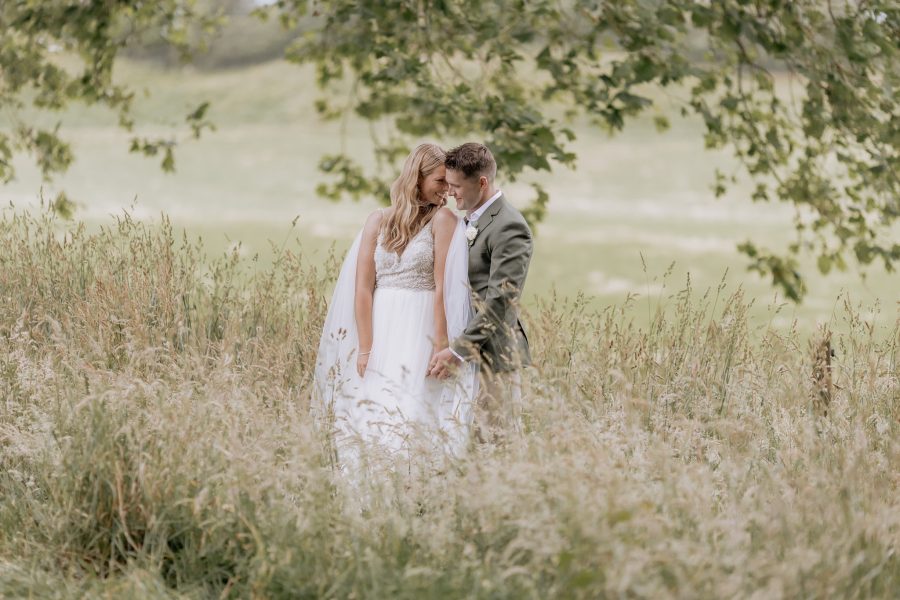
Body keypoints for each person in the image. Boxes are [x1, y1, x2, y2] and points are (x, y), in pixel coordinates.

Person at [313, 143, 478, 470]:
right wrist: (364, 346)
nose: (446, 190)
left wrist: (441, 345)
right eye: (439, 181)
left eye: (449, 183)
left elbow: (443, 286)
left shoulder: (443, 220)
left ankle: (412, 489)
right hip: (381, 329)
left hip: (421, 328)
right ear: (416, 177)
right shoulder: (378, 220)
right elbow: (363, 287)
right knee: (373, 410)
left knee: (411, 411)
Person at [428, 142, 533, 444]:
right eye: (447, 184)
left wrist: (459, 351)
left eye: (456, 186)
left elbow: (501, 301)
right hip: (460, 352)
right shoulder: (466, 219)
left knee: (494, 443)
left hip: (492, 356)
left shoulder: (509, 226)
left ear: (482, 182)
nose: (450, 193)